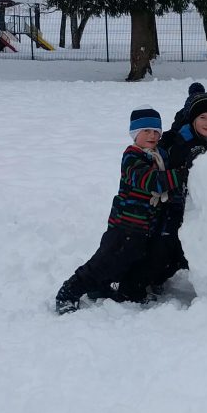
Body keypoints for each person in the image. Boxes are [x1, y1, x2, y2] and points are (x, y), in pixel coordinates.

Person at [54, 106, 183, 314]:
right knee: (106, 262)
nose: (152, 135)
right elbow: (150, 182)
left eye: (156, 131)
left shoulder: (160, 156)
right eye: (146, 131)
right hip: (125, 225)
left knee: (130, 261)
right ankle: (69, 291)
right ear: (135, 134)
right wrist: (180, 175)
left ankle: (104, 288)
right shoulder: (132, 157)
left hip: (145, 226)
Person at [150, 93, 207, 286]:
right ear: (193, 120)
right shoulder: (183, 142)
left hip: (192, 205)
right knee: (167, 247)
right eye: (203, 118)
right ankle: (145, 282)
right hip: (175, 205)